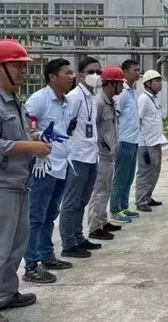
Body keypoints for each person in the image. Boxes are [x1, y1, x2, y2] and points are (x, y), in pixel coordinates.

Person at [0, 40, 53, 322]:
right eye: (16, 65)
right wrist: (30, 147)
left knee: (15, 245)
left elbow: (13, 136)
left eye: (24, 65)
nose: (23, 71)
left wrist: (33, 138)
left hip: (18, 183)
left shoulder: (12, 100)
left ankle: (5, 294)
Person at [23, 58, 74, 284]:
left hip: (61, 165)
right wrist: (38, 137)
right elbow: (24, 128)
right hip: (43, 167)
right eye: (67, 73)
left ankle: (46, 255)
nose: (71, 77)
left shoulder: (66, 102)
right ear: (52, 77)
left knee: (51, 213)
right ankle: (31, 265)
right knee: (36, 216)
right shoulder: (39, 100)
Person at [59, 57, 102, 258]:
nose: (96, 75)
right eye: (91, 71)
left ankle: (78, 235)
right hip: (76, 156)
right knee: (72, 201)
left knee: (83, 200)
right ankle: (68, 243)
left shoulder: (92, 97)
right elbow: (64, 126)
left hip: (90, 155)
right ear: (81, 74)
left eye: (99, 72)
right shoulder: (74, 97)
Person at [87, 66, 127, 241]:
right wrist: (100, 147)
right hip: (101, 154)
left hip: (109, 153)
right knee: (99, 191)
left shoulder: (110, 102)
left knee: (106, 189)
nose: (122, 87)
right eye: (120, 84)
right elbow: (92, 129)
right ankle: (95, 226)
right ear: (111, 84)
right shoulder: (99, 103)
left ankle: (102, 221)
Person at [110, 59, 142, 223]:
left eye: (139, 70)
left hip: (134, 139)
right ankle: (115, 209)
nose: (138, 73)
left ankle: (123, 206)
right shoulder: (122, 93)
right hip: (123, 140)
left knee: (129, 177)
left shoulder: (133, 92)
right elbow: (115, 115)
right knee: (121, 177)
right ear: (125, 71)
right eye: (135, 70)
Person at [135, 69, 168, 212]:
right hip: (146, 143)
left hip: (155, 141)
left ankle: (147, 197)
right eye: (157, 81)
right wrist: (142, 142)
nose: (160, 83)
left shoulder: (153, 99)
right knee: (145, 172)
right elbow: (137, 120)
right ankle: (141, 200)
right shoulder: (143, 99)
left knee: (154, 171)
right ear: (148, 83)